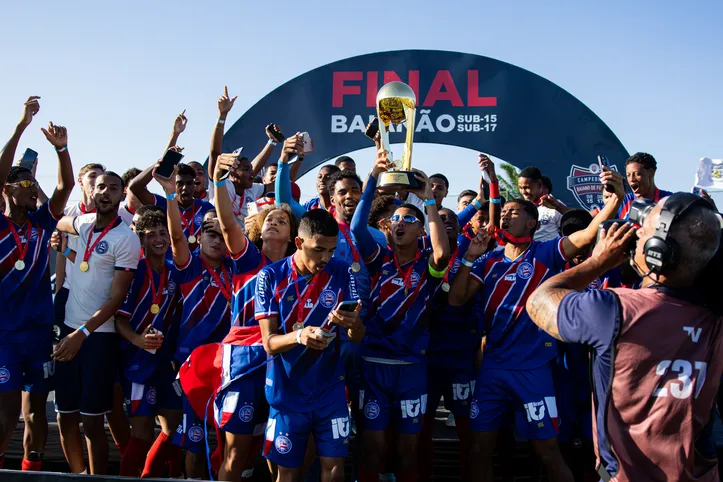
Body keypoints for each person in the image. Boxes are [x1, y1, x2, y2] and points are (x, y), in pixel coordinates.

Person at [527, 193, 723, 481]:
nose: (636, 230)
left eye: (644, 228)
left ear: (659, 250)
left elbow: (540, 300)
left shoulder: (614, 309)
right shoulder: (716, 319)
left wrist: (599, 261)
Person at [448, 163, 625, 482]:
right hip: (492, 371)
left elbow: (585, 237)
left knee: (547, 454)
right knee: (479, 450)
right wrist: (470, 257)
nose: (504, 216)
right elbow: (456, 299)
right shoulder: (489, 259)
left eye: (513, 212)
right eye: (504, 212)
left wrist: (613, 202)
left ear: (532, 221)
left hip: (534, 372)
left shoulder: (545, 254)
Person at [197, 152, 298, 481]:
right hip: (242, 358)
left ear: (293, 236)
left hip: (282, 360)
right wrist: (218, 181)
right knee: (236, 451)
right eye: (268, 218)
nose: (273, 221)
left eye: (281, 220)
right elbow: (227, 222)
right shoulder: (246, 258)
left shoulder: (297, 270)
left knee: (279, 449)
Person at [352, 152, 450, 482]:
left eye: (409, 220)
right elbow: (357, 228)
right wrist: (371, 179)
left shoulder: (427, 264)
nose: (399, 224)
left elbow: (442, 252)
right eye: (395, 220)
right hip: (374, 364)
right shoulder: (378, 259)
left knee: (409, 452)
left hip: (412, 369)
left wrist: (428, 201)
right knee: (373, 448)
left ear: (421, 230)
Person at [256, 209, 364, 482]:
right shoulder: (270, 276)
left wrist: (352, 324)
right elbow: (269, 343)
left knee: (334, 466)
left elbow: (357, 336)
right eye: (319, 250)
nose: (326, 258)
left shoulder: (341, 270)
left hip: (330, 390)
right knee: (287, 473)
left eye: (331, 250)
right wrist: (299, 336)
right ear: (299, 243)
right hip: (287, 391)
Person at [0, 97, 74, 471]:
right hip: (4, 333)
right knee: (7, 412)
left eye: (35, 183)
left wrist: (62, 149)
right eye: (26, 183)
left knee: (35, 416)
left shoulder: (43, 223)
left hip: (39, 333)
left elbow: (67, 185)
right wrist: (21, 127)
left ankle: (33, 469)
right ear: (7, 191)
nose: (35, 188)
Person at [53, 171, 141, 475]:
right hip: (69, 331)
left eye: (113, 188)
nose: (105, 193)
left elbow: (116, 298)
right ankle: (78, 476)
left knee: (91, 421)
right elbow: (63, 224)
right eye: (101, 187)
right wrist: (63, 245)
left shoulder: (127, 239)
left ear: (120, 195)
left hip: (98, 337)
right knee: (65, 415)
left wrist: (83, 333)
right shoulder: (85, 223)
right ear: (93, 191)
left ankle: (97, 478)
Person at [153, 165, 232, 479]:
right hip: (190, 365)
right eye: (211, 234)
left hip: (226, 364)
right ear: (199, 237)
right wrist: (170, 195)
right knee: (193, 441)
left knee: (226, 436)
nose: (217, 241)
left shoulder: (235, 269)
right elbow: (175, 236)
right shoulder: (190, 265)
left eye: (223, 235)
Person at [114, 208, 183, 478]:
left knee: (175, 427)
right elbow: (119, 320)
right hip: (137, 363)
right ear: (141, 240)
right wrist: (138, 341)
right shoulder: (136, 272)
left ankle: (153, 475)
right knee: (141, 430)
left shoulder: (176, 271)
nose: (158, 238)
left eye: (162, 232)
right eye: (150, 234)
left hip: (165, 362)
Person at [207, 86, 282, 226]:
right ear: (233, 173)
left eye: (250, 169)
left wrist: (275, 144)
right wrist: (222, 117)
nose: (252, 172)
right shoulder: (222, 185)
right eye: (246, 169)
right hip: (220, 238)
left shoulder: (252, 189)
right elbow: (214, 154)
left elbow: (280, 185)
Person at [129, 158, 215, 253]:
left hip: (198, 264)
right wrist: (157, 165)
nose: (185, 188)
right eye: (180, 184)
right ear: (172, 184)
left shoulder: (206, 208)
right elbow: (135, 187)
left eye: (189, 183)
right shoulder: (163, 205)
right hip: (170, 262)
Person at [517, 166, 568, 242]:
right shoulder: (520, 208)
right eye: (520, 188)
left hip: (552, 252)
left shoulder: (555, 206)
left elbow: (570, 230)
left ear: (540, 185)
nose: (523, 192)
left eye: (527, 187)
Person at [618, 152, 673, 219]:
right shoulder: (623, 201)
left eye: (637, 174)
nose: (631, 179)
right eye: (628, 175)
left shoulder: (669, 200)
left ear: (651, 173)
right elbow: (601, 222)